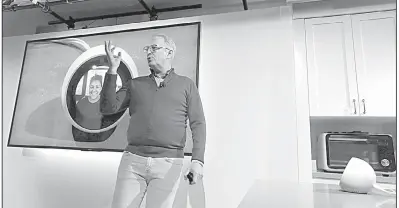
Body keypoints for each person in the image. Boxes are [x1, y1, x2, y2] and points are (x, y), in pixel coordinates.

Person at [100, 34, 206, 208]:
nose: (148, 52)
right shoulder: (135, 84)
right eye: (147, 49)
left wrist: (197, 161)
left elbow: (198, 123)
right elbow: (107, 108)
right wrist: (112, 70)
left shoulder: (186, 85)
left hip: (169, 163)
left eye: (154, 48)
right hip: (133, 162)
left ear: (169, 52)